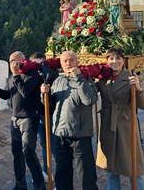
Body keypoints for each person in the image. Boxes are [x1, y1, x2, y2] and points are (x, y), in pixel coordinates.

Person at [41, 51, 98, 190]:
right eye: (65, 61)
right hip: (60, 135)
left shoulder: (86, 79)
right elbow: (50, 107)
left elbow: (90, 100)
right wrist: (44, 95)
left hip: (80, 135)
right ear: (60, 64)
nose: (68, 63)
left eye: (71, 60)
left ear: (77, 62)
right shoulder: (57, 81)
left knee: (87, 175)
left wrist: (78, 77)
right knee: (62, 175)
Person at [0, 51, 45, 190]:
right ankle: (21, 185)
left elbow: (25, 92)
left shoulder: (32, 74)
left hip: (29, 118)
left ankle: (39, 186)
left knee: (28, 152)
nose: (11, 64)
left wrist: (16, 75)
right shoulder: (11, 77)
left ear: (22, 60)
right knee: (17, 153)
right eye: (9, 61)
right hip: (14, 118)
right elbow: (7, 94)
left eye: (14, 61)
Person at [96, 48, 144, 189]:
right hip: (108, 124)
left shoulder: (131, 77)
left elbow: (143, 105)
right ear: (107, 61)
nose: (115, 62)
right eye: (111, 59)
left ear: (124, 60)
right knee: (111, 167)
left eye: (118, 58)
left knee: (134, 167)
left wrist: (138, 88)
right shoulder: (103, 78)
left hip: (126, 126)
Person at [29, 52, 58, 183]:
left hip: (51, 112)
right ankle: (47, 171)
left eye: (39, 62)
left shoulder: (51, 71)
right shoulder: (32, 74)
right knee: (44, 144)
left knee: (54, 145)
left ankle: (59, 177)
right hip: (39, 113)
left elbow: (51, 79)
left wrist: (43, 66)